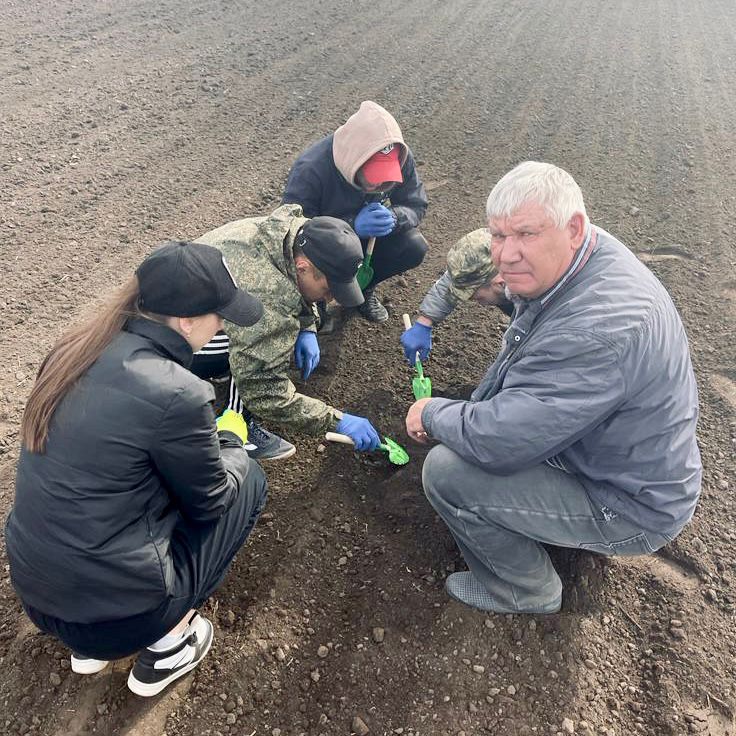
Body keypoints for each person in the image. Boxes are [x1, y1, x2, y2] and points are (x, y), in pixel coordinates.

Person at [406, 161, 702, 614]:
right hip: (621, 459)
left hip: (630, 504)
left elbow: (498, 442)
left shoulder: (594, 333)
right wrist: (426, 319)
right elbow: (465, 276)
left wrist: (432, 413)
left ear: (574, 228)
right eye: (498, 236)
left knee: (448, 474)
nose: (506, 254)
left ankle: (525, 591)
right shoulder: (580, 257)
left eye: (525, 234)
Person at [5, 241, 268, 696]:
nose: (223, 325)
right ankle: (168, 643)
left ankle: (86, 645)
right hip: (122, 618)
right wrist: (230, 440)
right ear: (187, 321)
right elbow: (211, 503)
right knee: (249, 481)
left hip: (38, 593)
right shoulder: (178, 393)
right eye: (219, 315)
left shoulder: (74, 350)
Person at [194, 204, 381, 453]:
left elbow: (290, 277)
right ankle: (237, 425)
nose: (329, 300)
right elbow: (263, 390)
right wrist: (337, 420)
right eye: (327, 290)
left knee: (278, 331)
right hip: (174, 343)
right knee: (264, 350)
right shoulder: (268, 292)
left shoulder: (287, 234)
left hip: (184, 308)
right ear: (303, 267)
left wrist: (307, 327)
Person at [282, 100, 429, 323]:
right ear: (354, 160)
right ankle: (316, 303)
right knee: (306, 277)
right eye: (373, 177)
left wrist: (394, 217)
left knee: (413, 246)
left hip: (370, 240)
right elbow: (291, 231)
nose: (380, 187)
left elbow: (415, 203)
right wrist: (350, 226)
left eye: (386, 180)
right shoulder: (311, 170)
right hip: (322, 246)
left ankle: (362, 289)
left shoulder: (399, 159)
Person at [400, 229, 513, 365]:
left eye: (473, 295)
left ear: (500, 284)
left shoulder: (539, 295)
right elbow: (454, 281)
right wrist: (425, 322)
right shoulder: (497, 257)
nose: (474, 301)